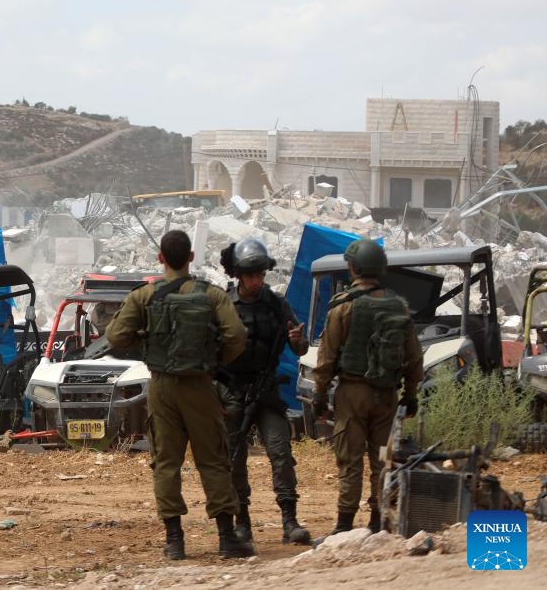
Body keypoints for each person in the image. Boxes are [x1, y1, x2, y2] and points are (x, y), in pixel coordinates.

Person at [106, 229, 254, 560]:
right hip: (200, 385)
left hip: (162, 386)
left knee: (166, 463)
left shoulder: (143, 296)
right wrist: (214, 361)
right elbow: (237, 335)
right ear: (190, 258)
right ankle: (227, 538)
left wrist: (144, 340)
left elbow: (115, 336)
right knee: (213, 459)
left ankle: (175, 540)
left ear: (160, 258)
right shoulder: (212, 295)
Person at [311, 239, 423, 535]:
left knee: (350, 459)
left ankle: (344, 526)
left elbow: (326, 358)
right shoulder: (398, 306)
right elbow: (414, 357)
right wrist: (411, 395)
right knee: (382, 459)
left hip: (352, 394)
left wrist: (319, 394)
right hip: (387, 395)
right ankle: (378, 522)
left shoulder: (342, 306)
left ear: (352, 267)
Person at [218, 238, 311, 545]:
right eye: (251, 275)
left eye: (261, 274)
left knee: (281, 453)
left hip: (266, 390)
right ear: (239, 275)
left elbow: (300, 346)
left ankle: (289, 520)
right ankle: (242, 521)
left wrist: (298, 339)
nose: (257, 281)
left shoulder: (276, 304)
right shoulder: (224, 305)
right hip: (233, 391)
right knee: (234, 459)